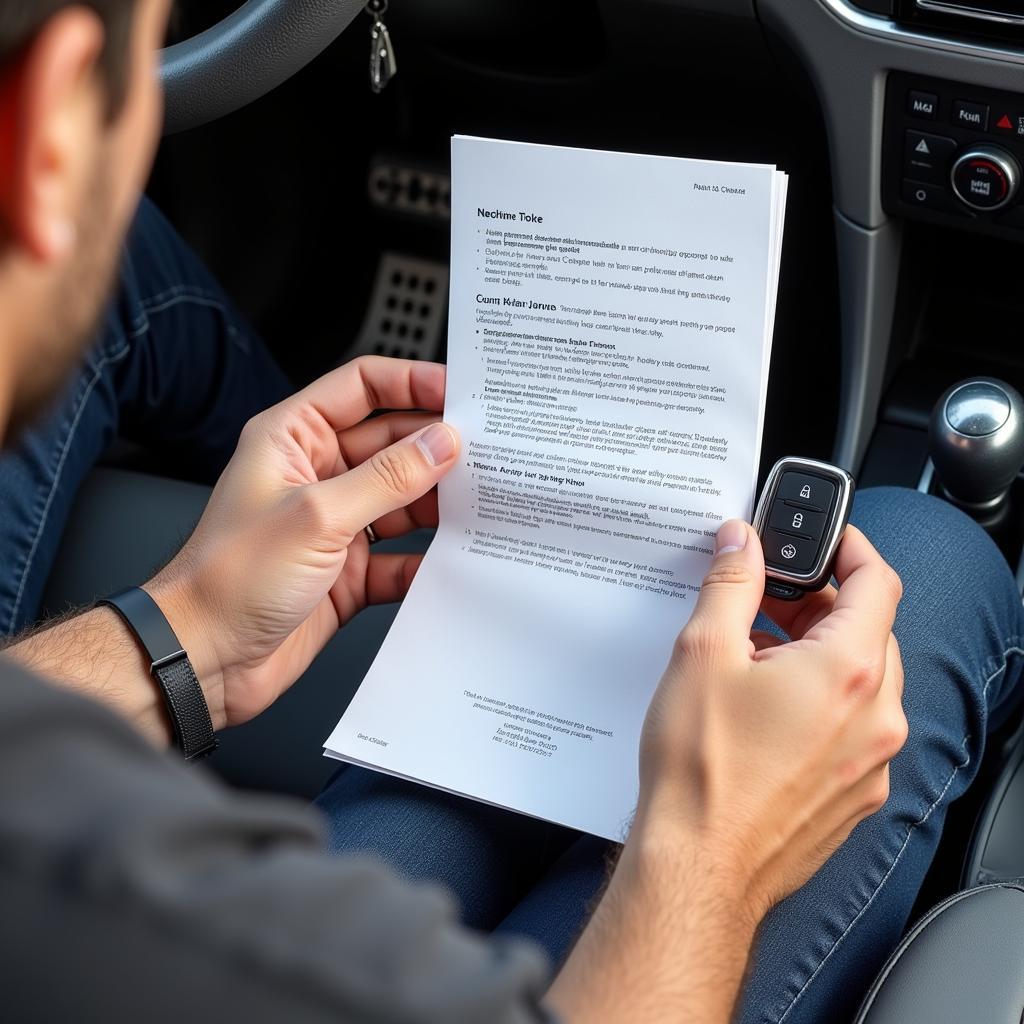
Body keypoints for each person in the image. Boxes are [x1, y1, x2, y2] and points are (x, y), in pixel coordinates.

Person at [0, 2, 1020, 1022]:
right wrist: (713, 851)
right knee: (929, 552)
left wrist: (186, 639)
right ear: (49, 125)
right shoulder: (126, 908)